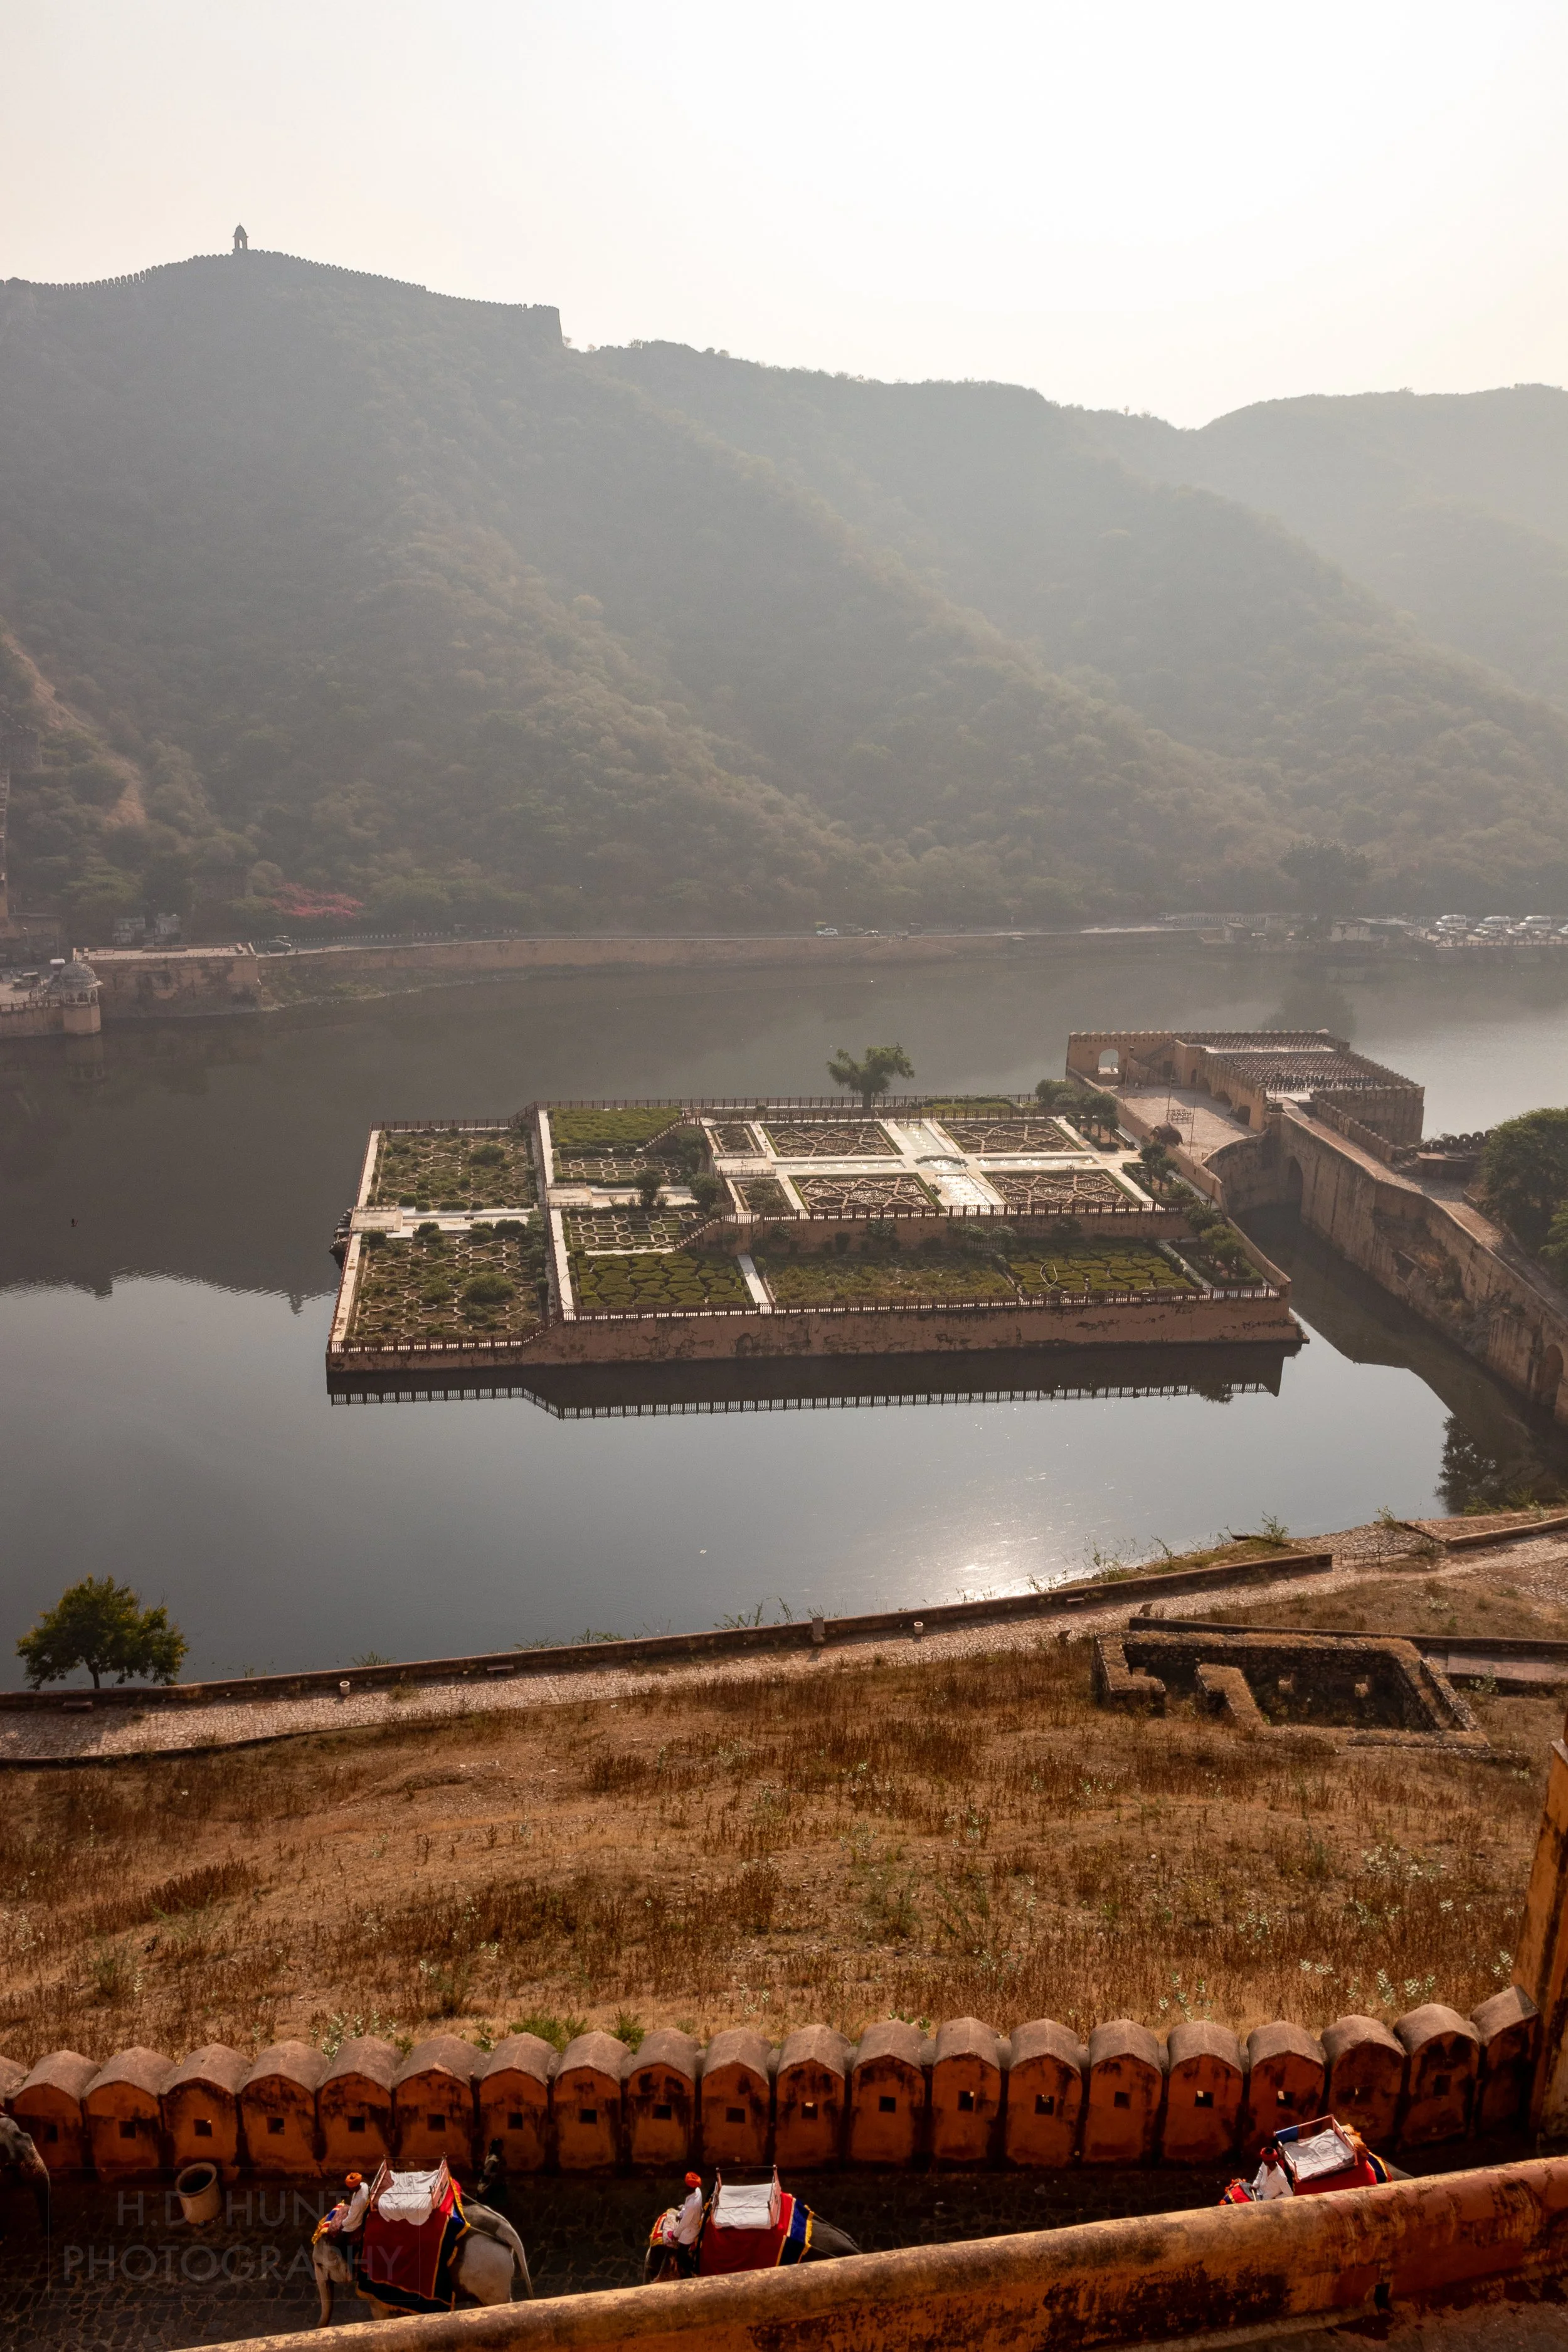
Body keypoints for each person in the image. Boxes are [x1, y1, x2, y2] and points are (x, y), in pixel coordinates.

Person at [673, 2171, 705, 2275]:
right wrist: (681, 2214)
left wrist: (675, 2234)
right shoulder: (698, 2191)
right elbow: (686, 2208)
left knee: (681, 2257)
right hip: (694, 2219)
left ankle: (694, 2269)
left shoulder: (692, 2204)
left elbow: (685, 2223)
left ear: (690, 2188)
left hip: (691, 2230)